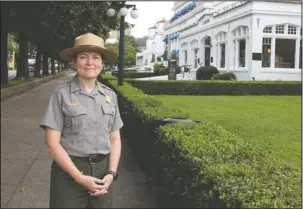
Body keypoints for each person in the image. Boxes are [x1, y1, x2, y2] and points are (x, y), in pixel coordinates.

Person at [39, 33, 124, 208]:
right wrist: (79, 177)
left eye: (96, 57)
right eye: (83, 57)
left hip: (103, 172)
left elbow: (114, 139)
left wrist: (111, 173)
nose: (90, 63)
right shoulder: (61, 94)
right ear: (75, 62)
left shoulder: (110, 95)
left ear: (102, 63)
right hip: (68, 172)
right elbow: (51, 143)